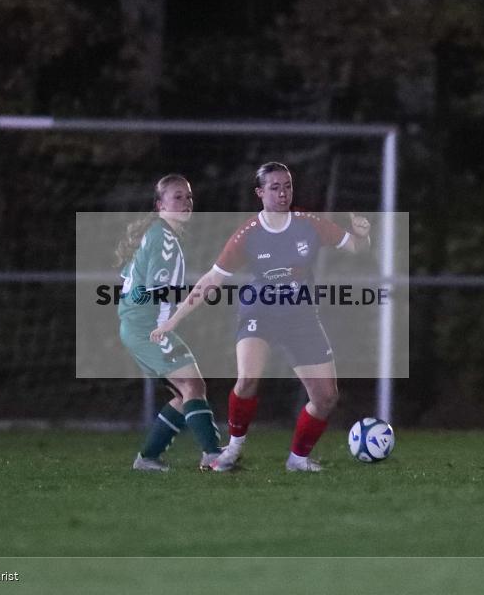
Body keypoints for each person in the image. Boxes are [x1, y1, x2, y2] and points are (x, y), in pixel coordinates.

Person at [151, 162, 371, 472]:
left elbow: (357, 248)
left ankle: (297, 459)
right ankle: (233, 447)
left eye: (287, 186)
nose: (283, 193)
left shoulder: (310, 224)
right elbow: (211, 280)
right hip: (259, 312)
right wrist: (174, 320)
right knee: (249, 378)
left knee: (325, 398)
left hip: (302, 318)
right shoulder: (248, 234)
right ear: (260, 192)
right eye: (275, 187)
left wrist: (363, 235)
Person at [116, 174, 222, 472]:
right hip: (148, 327)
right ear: (160, 204)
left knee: (184, 391)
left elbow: (127, 280)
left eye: (188, 196)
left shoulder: (156, 234)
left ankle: (147, 458)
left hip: (136, 325)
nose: (186, 202)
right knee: (192, 385)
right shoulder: (164, 240)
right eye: (177, 197)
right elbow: (157, 291)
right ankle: (213, 455)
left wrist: (130, 310)